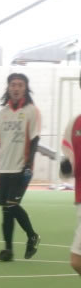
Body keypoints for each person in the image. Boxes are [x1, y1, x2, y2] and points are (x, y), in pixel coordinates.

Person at [0, 73, 41, 262]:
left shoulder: (31, 111)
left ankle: (32, 236)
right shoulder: (3, 113)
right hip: (5, 169)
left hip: (21, 168)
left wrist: (28, 164)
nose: (16, 88)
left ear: (25, 88)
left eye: (20, 85)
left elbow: (35, 139)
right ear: (8, 88)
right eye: (13, 85)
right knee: (6, 210)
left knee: (11, 204)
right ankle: (8, 250)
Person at [60, 70, 81, 276]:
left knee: (76, 260)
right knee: (77, 261)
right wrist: (66, 167)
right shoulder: (75, 123)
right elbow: (69, 161)